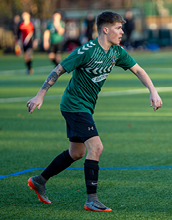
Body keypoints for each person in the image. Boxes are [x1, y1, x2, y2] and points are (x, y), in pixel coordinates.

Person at [26, 11, 162, 212]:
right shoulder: (86, 51)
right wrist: (40, 95)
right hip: (74, 105)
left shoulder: (116, 52)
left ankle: (39, 180)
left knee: (77, 152)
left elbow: (139, 70)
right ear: (105, 30)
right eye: (118, 28)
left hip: (85, 106)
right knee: (96, 147)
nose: (122, 32)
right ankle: (92, 199)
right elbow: (59, 69)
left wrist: (153, 91)